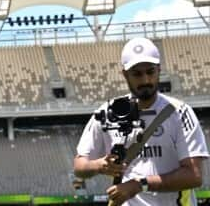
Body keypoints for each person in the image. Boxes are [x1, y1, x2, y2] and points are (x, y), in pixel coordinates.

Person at [74, 37, 207, 206]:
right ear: (124, 74)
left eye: (150, 72)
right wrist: (98, 165)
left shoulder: (180, 112)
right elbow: (80, 166)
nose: (145, 80)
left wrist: (140, 185)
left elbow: (194, 176)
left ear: (159, 70)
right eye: (137, 74)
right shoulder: (107, 112)